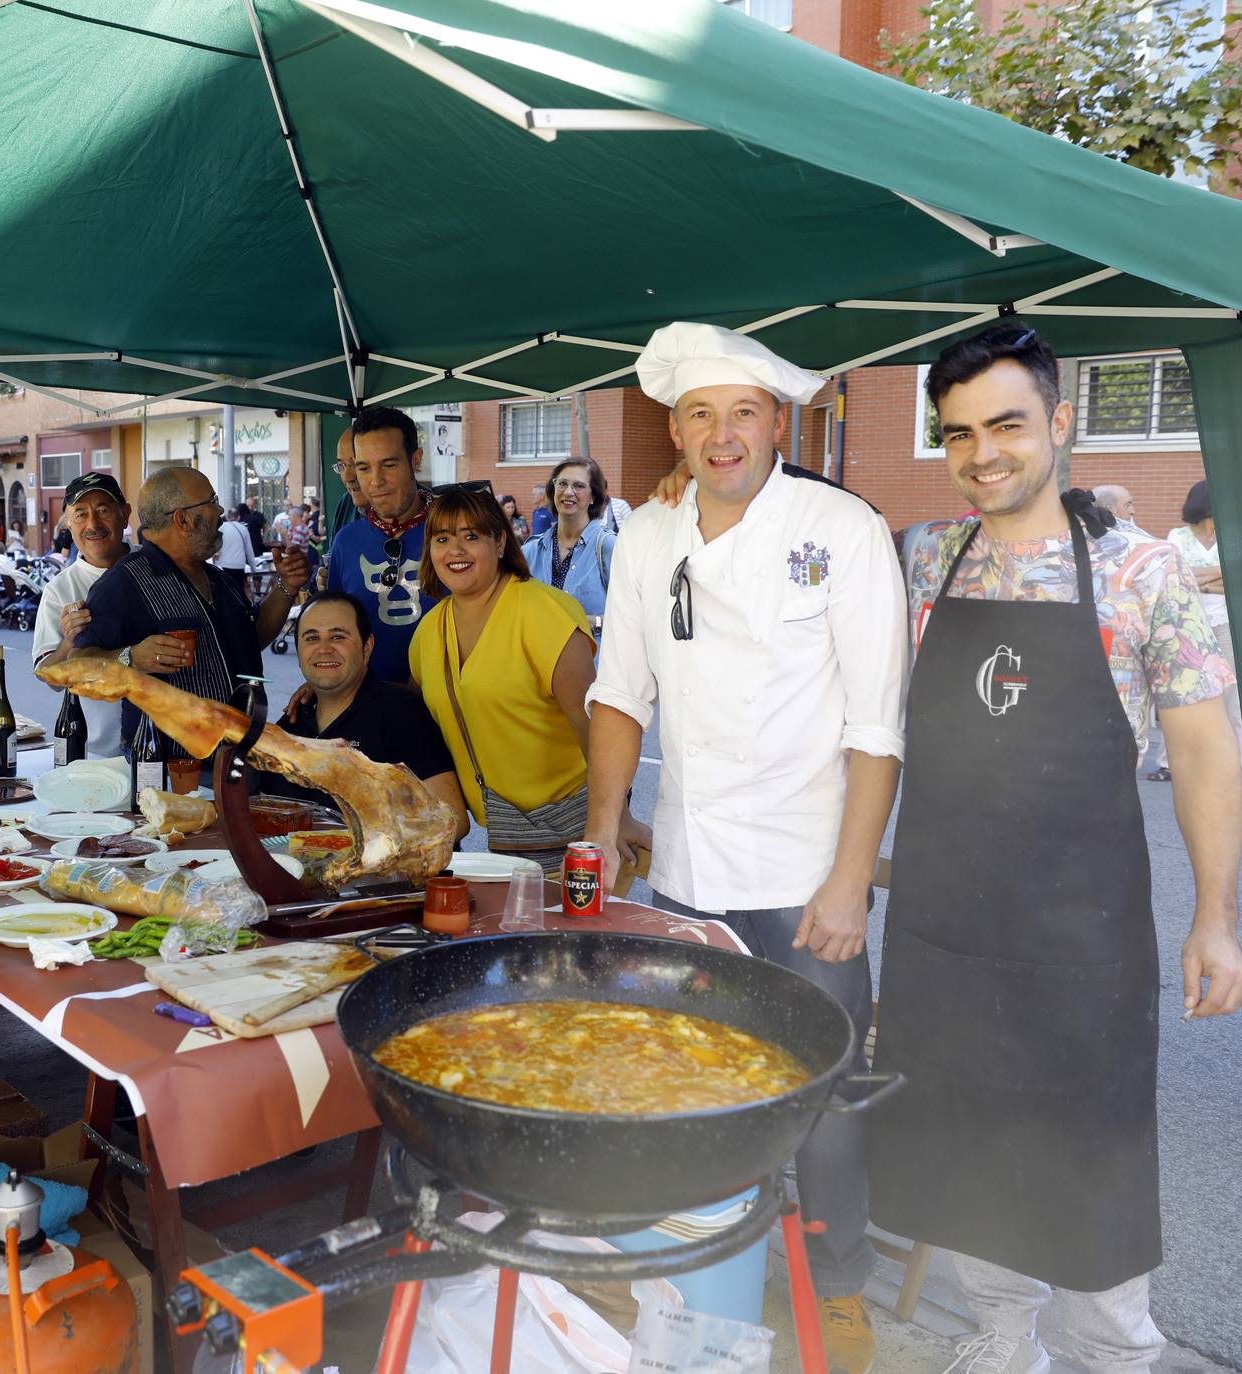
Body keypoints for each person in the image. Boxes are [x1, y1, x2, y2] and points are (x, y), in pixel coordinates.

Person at [875, 325, 1242, 1374]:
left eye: (1006, 424)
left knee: (1093, 1161)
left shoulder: (1145, 574)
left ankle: (1113, 1353)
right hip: (945, 927)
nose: (981, 453)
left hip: (1083, 935)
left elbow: (1208, 755)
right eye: (957, 434)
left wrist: (1214, 918)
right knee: (960, 1142)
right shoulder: (921, 560)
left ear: (1060, 422)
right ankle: (1001, 1335)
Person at [586, 322, 906, 1374]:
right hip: (687, 868)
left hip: (811, 872)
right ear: (674, 429)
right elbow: (617, 696)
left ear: (778, 420)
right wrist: (599, 835)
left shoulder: (842, 528)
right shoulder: (645, 536)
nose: (721, 435)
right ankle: (689, 1269)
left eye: (742, 412)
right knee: (686, 1082)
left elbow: (875, 726)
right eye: (698, 414)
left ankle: (842, 1286)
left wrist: (851, 882)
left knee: (827, 1098)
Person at [408, 487, 647, 870]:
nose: (455, 550)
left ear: (500, 542)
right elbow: (411, 718)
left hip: (579, 832)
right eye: (442, 539)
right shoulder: (429, 630)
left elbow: (597, 727)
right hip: (507, 837)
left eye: (472, 536)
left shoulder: (544, 613)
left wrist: (615, 819)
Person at [72, 468, 308, 758]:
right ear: (182, 519)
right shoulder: (123, 584)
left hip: (237, 754)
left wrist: (287, 585)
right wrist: (130, 657)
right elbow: (77, 665)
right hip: (167, 769)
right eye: (212, 501)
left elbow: (253, 635)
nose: (220, 511)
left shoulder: (216, 578)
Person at [256, 590, 467, 837]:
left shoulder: (400, 713)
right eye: (312, 638)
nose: (324, 649)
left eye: (338, 637)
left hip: (387, 873)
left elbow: (453, 821)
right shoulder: (293, 722)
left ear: (367, 647)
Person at [330, 407, 438, 681]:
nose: (376, 482)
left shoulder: (453, 532)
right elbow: (334, 630)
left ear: (415, 460)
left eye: (389, 465)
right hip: (369, 706)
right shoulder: (346, 541)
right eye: (364, 468)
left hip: (447, 707)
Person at [33, 475, 135, 758]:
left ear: (125, 515)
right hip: (95, 754)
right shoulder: (59, 590)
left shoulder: (153, 568)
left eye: (103, 510)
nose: (93, 524)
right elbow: (50, 678)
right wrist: (69, 643)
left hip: (164, 747)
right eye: (80, 514)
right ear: (68, 523)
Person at [1158, 481, 1242, 773]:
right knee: (1182, 687)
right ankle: (1169, 761)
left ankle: (1230, 760)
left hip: (1225, 621)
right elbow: (1175, 575)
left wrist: (1199, 581)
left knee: (1231, 691)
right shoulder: (1178, 537)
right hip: (1184, 622)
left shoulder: (1236, 537)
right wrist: (1221, 576)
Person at [522, 458, 620, 620]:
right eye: (562, 484)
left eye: (579, 486)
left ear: (593, 497)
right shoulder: (531, 551)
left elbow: (631, 615)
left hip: (593, 645)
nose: (568, 492)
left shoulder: (608, 547)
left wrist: (592, 622)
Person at [214, 503, 255, 600]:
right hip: (239, 565)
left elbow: (215, 546)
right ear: (238, 517)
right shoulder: (243, 529)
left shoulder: (221, 528)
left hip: (223, 565)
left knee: (226, 593)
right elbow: (249, 551)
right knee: (239, 592)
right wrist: (254, 569)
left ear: (227, 517)